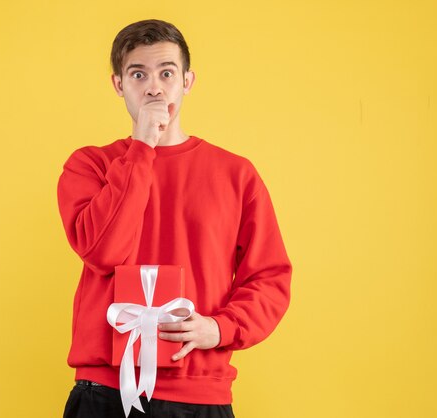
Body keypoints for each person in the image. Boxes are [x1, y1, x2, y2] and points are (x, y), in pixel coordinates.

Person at [56, 19, 292, 418]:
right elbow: (104, 252)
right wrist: (142, 146)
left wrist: (220, 329)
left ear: (187, 81)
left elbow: (269, 276)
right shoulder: (89, 166)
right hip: (105, 392)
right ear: (118, 84)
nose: (153, 87)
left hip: (201, 394)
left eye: (167, 73)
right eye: (138, 74)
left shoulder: (236, 174)